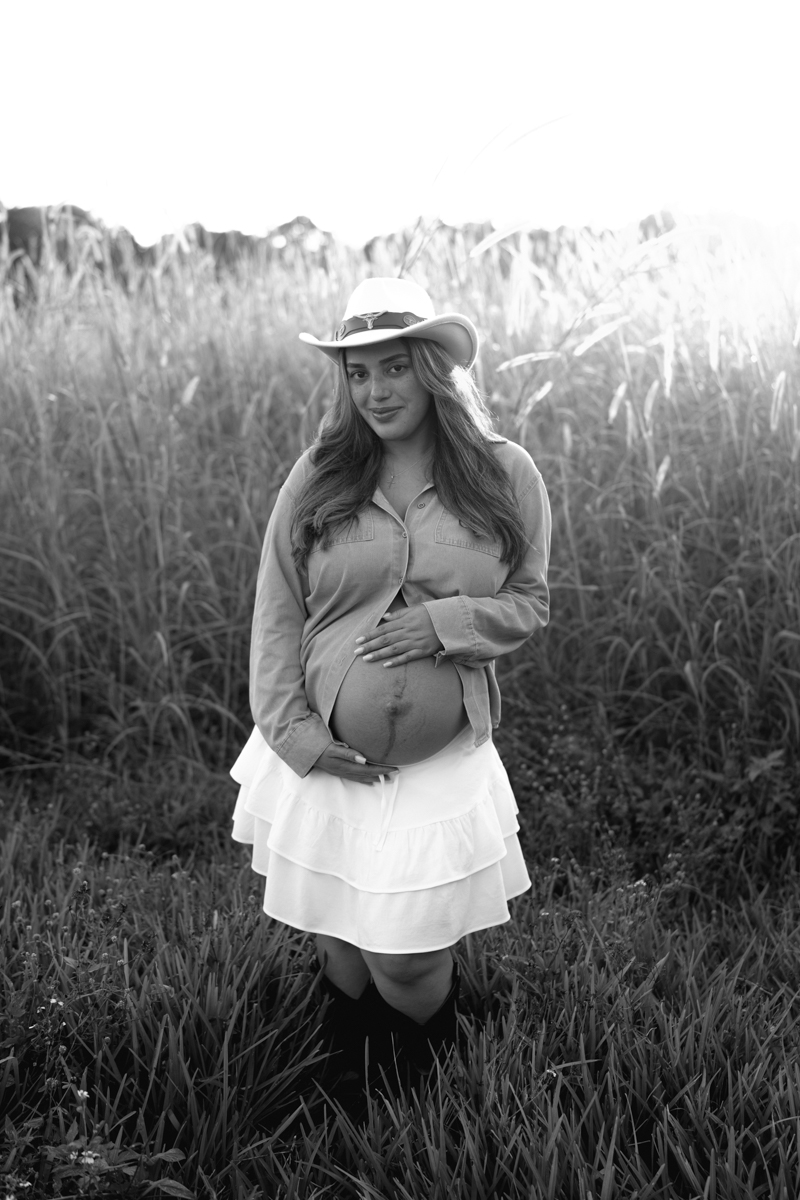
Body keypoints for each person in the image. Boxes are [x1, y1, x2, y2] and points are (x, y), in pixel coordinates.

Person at [230, 277, 551, 1093]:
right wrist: (297, 736)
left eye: (395, 367)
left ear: (434, 368)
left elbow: (529, 602)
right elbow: (276, 612)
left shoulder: (505, 473)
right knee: (340, 936)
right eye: (359, 372)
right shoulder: (319, 475)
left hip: (438, 763)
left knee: (404, 955)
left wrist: (447, 623)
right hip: (325, 752)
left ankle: (423, 1085)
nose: (375, 391)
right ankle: (350, 1071)